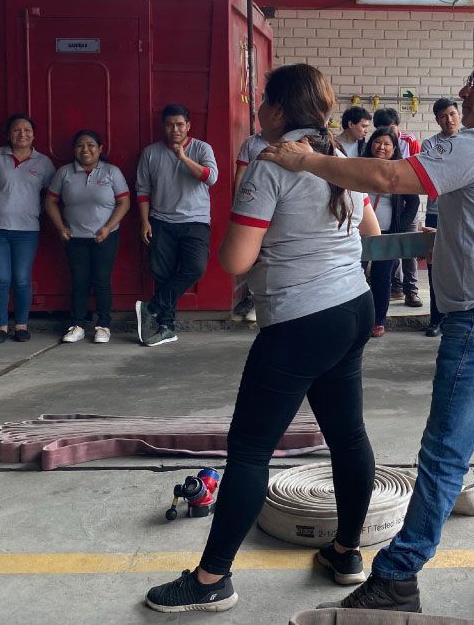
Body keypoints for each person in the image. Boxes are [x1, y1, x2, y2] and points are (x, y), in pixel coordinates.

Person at [267, 50, 474, 614]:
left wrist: (307, 162)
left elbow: (388, 175)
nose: (464, 91)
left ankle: (398, 576)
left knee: (444, 453)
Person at [144, 63, 382, 614]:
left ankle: (210, 580)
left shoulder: (268, 167)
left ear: (277, 109)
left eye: (262, 103)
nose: (258, 113)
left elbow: (235, 260)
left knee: (250, 449)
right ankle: (346, 552)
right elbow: (369, 230)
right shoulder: (339, 158)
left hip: (301, 318)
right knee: (347, 435)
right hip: (352, 307)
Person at [135, 103, 218, 347]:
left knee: (195, 268)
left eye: (180, 124)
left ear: (188, 126)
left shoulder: (202, 148)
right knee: (162, 274)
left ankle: (152, 307)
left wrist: (182, 157)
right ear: (164, 126)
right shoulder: (150, 153)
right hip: (161, 221)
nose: (175, 129)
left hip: (196, 221)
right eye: (170, 125)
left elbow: (210, 177)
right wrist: (144, 221)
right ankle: (166, 327)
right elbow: (142, 190)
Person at [0, 114, 56, 344]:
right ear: (9, 134)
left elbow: (53, 194)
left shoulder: (43, 162)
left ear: (34, 134)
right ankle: (0, 326)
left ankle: (21, 325)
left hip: (27, 230)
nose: (22, 134)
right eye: (17, 130)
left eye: (27, 130)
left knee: (21, 279)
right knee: (0, 278)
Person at [44, 130, 131, 344]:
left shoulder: (111, 172)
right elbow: (50, 201)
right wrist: (60, 227)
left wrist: (108, 228)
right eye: (80, 145)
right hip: (74, 237)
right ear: (74, 150)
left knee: (101, 280)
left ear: (100, 149)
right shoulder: (64, 173)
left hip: (105, 236)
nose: (85, 150)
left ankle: (103, 325)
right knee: (79, 281)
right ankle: (78, 324)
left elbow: (124, 202)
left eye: (91, 145)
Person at [363, 127, 419, 338]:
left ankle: (378, 320)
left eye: (387, 144)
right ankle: (360, 318)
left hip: (387, 234)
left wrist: (400, 228)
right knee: (356, 275)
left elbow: (412, 202)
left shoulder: (399, 171)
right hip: (360, 233)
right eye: (378, 142)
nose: (381, 147)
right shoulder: (360, 166)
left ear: (394, 148)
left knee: (382, 277)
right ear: (371, 144)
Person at [418, 97, 461, 337]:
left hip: (464, 214)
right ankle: (436, 319)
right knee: (436, 269)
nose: (449, 119)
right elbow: (435, 176)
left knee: (460, 267)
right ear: (437, 120)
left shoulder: (470, 140)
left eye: (453, 114)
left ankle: (456, 320)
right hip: (437, 213)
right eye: (443, 116)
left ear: (459, 114)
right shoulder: (430, 144)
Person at [374, 107, 422, 305]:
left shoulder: (409, 141)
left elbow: (419, 168)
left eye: (391, 127)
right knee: (387, 253)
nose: (387, 133)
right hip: (384, 208)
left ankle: (411, 289)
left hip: (406, 201)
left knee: (407, 248)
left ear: (397, 126)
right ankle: (396, 286)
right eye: (382, 128)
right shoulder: (374, 144)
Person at [232, 130, 270, 324]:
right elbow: (240, 175)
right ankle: (258, 302)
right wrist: (239, 205)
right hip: (255, 208)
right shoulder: (251, 143)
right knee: (254, 256)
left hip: (278, 210)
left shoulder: (290, 139)